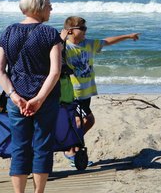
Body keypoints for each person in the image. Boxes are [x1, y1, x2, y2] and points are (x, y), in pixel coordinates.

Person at [0, 0, 62, 193]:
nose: (51, 8)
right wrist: (40, 99)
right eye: (49, 4)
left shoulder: (8, 32)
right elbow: (55, 72)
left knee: (19, 146)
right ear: (39, 7)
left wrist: (14, 96)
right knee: (43, 146)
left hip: (17, 100)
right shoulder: (50, 34)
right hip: (46, 99)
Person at [58, 16, 140, 156]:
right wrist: (61, 39)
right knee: (86, 120)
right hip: (73, 93)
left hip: (87, 91)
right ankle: (70, 148)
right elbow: (50, 54)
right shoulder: (63, 46)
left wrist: (127, 36)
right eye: (82, 28)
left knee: (82, 121)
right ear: (70, 31)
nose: (85, 31)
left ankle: (72, 146)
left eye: (86, 28)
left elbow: (107, 41)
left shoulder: (88, 44)